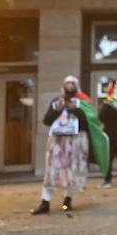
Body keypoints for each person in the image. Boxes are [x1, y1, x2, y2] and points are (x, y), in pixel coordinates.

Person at [32, 76, 91, 214]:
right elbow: (46, 120)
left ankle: (67, 200)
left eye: (72, 85)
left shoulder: (82, 103)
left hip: (75, 143)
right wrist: (57, 110)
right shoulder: (56, 101)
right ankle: (45, 202)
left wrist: (76, 110)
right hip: (58, 142)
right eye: (67, 85)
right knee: (51, 171)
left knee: (72, 173)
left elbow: (87, 124)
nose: (69, 88)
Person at [99, 85, 117, 188]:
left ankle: (108, 181)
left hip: (110, 135)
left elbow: (100, 117)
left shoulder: (107, 105)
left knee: (109, 159)